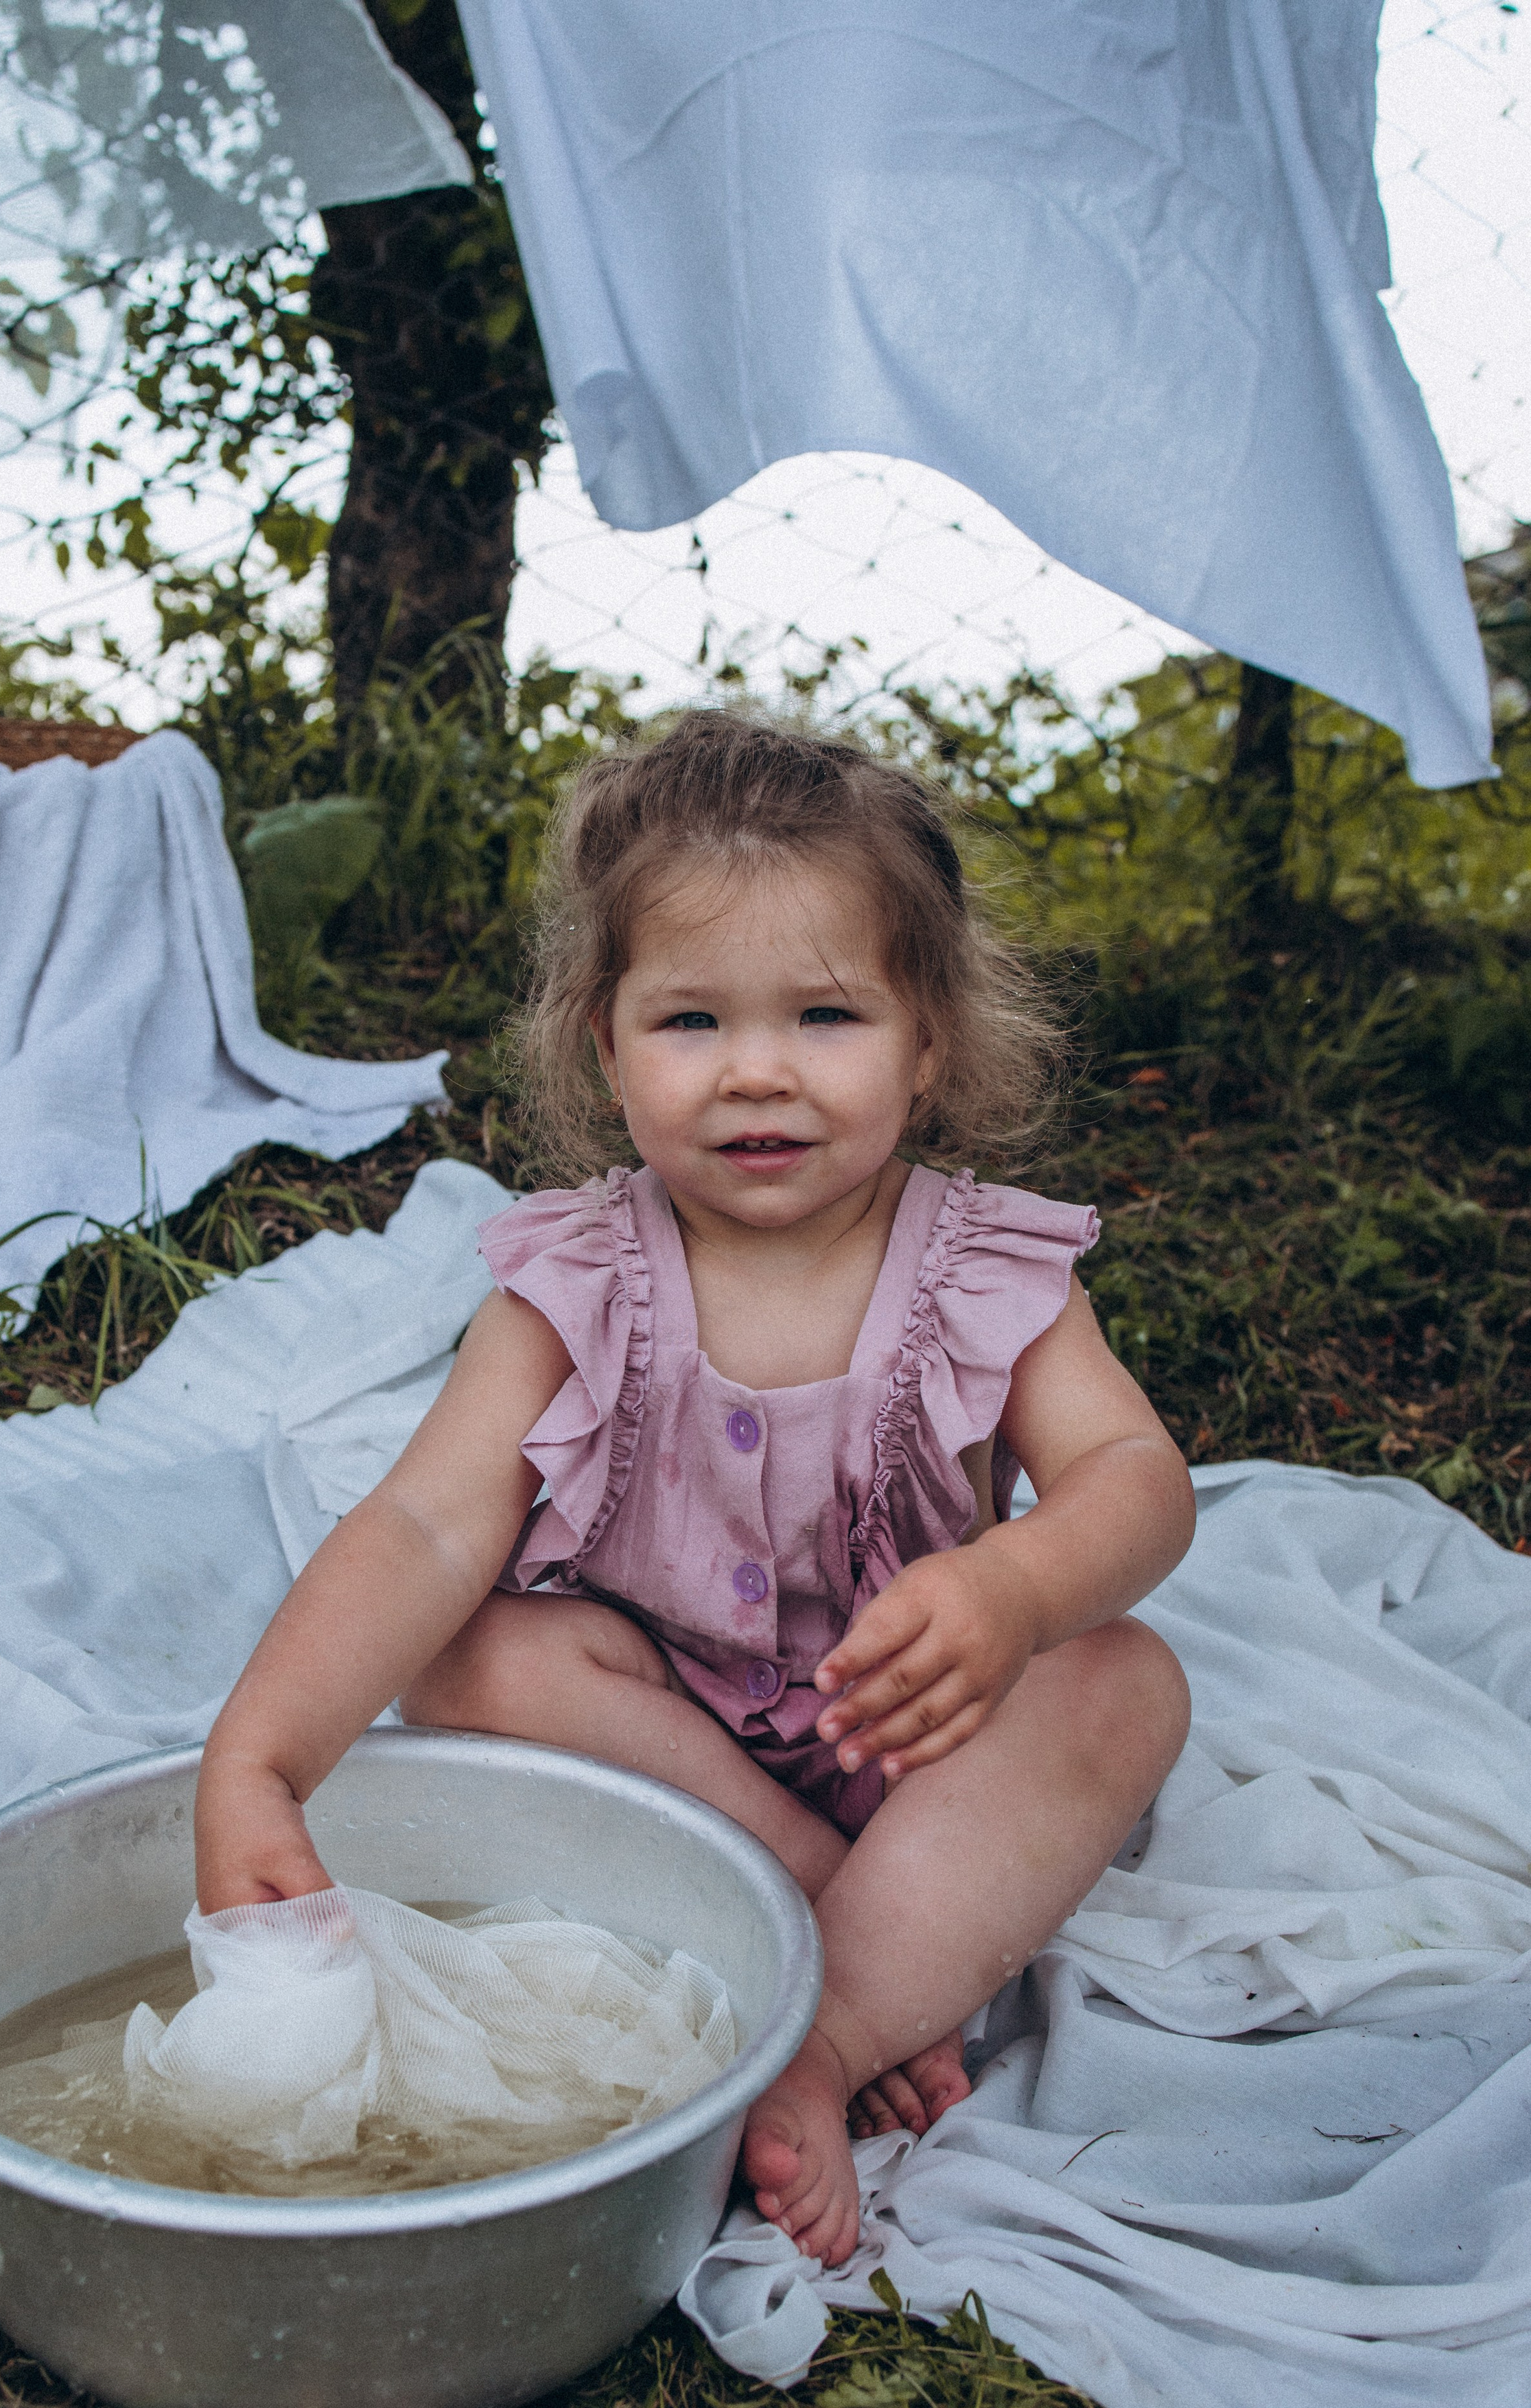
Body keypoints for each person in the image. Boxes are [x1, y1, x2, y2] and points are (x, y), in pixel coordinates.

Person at [196, 712, 1195, 2267]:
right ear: (603, 1043)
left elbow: (1134, 1482)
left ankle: (830, 2022)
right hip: (666, 1740)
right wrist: (256, 1762)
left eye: (823, 1014)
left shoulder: (985, 1268)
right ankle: (819, 1909)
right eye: (687, 1022)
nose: (755, 1072)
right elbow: (418, 1523)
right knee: (471, 1647)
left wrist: (1015, 1589)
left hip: (920, 1738)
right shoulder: (571, 1279)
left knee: (1121, 1684)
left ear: (926, 1040)